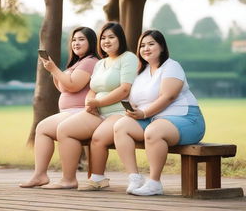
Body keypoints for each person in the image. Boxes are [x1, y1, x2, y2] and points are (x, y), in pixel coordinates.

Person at [41, 22, 139, 190]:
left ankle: (97, 179)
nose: (106, 41)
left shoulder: (128, 58)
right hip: (97, 112)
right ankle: (68, 179)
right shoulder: (101, 63)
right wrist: (89, 103)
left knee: (98, 138)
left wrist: (98, 102)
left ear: (120, 39)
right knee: (64, 129)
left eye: (111, 37)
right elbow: (93, 89)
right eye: (103, 38)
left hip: (118, 111)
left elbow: (124, 89)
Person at [113, 30, 205, 196]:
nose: (146, 48)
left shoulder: (172, 66)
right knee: (121, 126)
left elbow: (168, 96)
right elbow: (136, 98)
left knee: (153, 131)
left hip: (186, 119)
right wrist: (133, 108)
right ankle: (135, 178)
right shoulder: (141, 71)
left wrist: (143, 113)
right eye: (142, 45)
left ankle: (154, 182)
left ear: (161, 47)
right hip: (153, 119)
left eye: (151, 44)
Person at [19, 26, 99, 188]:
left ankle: (68, 179)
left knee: (60, 129)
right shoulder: (77, 63)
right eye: (74, 40)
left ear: (91, 42)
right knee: (42, 128)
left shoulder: (90, 62)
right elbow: (63, 87)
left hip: (82, 113)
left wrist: (54, 69)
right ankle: (40, 175)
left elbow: (73, 86)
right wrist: (55, 71)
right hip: (70, 112)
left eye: (81, 39)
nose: (76, 43)